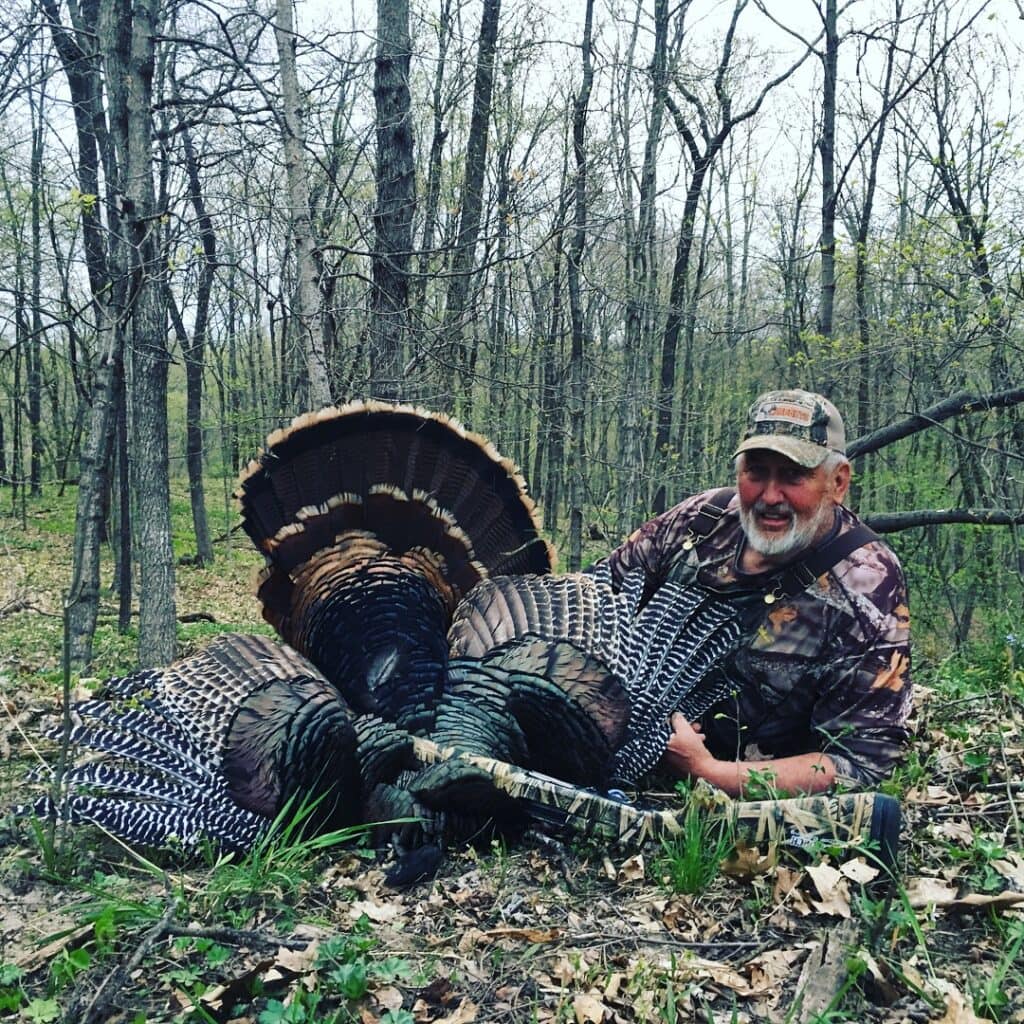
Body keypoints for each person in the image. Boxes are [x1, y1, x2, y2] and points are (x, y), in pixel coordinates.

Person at [606, 389, 912, 797]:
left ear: (837, 482)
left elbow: (859, 764)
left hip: (728, 789)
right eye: (756, 472)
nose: (770, 497)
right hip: (617, 732)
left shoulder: (868, 584)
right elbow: (594, 601)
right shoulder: (702, 520)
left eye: (793, 476)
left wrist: (708, 771)